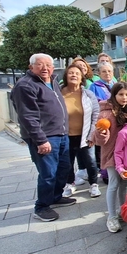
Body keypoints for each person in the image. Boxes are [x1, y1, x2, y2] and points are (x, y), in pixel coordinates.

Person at [10, 53, 75, 222]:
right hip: (46, 137)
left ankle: (55, 196)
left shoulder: (52, 82)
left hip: (61, 134)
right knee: (48, 173)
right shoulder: (25, 86)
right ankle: (42, 207)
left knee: (63, 169)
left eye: (48, 65)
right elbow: (27, 116)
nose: (45, 68)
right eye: (40, 65)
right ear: (31, 67)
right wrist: (41, 140)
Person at [93, 82, 127, 233]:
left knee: (124, 184)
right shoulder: (106, 113)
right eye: (121, 94)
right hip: (112, 154)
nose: (124, 97)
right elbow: (99, 139)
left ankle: (123, 211)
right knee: (113, 183)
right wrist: (101, 133)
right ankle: (111, 216)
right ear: (114, 95)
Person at [60, 64, 101, 199]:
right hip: (66, 135)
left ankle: (94, 184)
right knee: (68, 162)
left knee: (90, 160)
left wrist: (92, 134)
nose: (74, 75)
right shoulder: (59, 93)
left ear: (81, 77)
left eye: (77, 73)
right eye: (71, 73)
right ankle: (70, 183)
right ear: (66, 75)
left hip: (85, 134)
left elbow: (96, 114)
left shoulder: (88, 94)